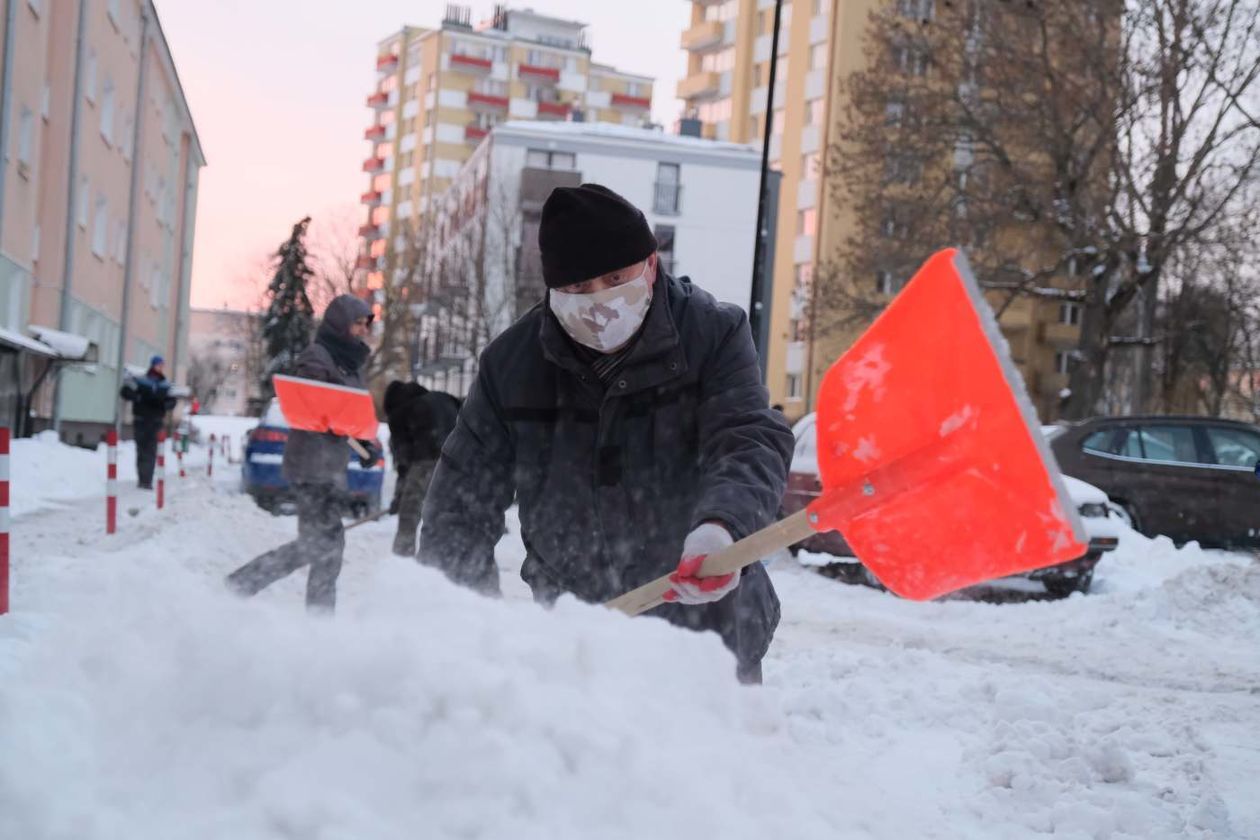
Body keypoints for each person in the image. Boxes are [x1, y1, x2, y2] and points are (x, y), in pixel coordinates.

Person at [418, 184, 793, 683]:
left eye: (615, 279)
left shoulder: (713, 334)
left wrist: (723, 527)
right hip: (577, 636)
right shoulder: (512, 365)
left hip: (709, 632)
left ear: (651, 265)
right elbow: (460, 506)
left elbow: (747, 438)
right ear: (552, 291)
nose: (598, 302)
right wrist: (463, 625)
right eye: (577, 290)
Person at [226, 294, 377, 612]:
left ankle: (306, 612)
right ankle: (247, 585)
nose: (363, 330)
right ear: (341, 324)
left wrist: (363, 443)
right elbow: (313, 407)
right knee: (322, 545)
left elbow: (345, 413)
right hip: (310, 466)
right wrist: (339, 425)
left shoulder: (348, 362)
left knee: (324, 546)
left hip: (330, 466)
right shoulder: (317, 358)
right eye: (358, 323)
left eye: (366, 324)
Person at [382, 381, 461, 557]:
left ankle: (403, 562)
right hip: (460, 465)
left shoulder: (401, 413)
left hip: (427, 463)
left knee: (409, 516)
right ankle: (441, 564)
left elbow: (403, 462)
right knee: (444, 518)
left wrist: (399, 498)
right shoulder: (446, 399)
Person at [119, 355, 176, 490]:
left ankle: (147, 481)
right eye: (158, 364)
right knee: (141, 450)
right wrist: (137, 397)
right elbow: (125, 392)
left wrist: (165, 405)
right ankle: (142, 478)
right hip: (141, 419)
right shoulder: (142, 381)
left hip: (156, 421)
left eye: (162, 365)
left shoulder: (164, 384)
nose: (160, 367)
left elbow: (172, 401)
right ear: (153, 365)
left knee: (151, 450)